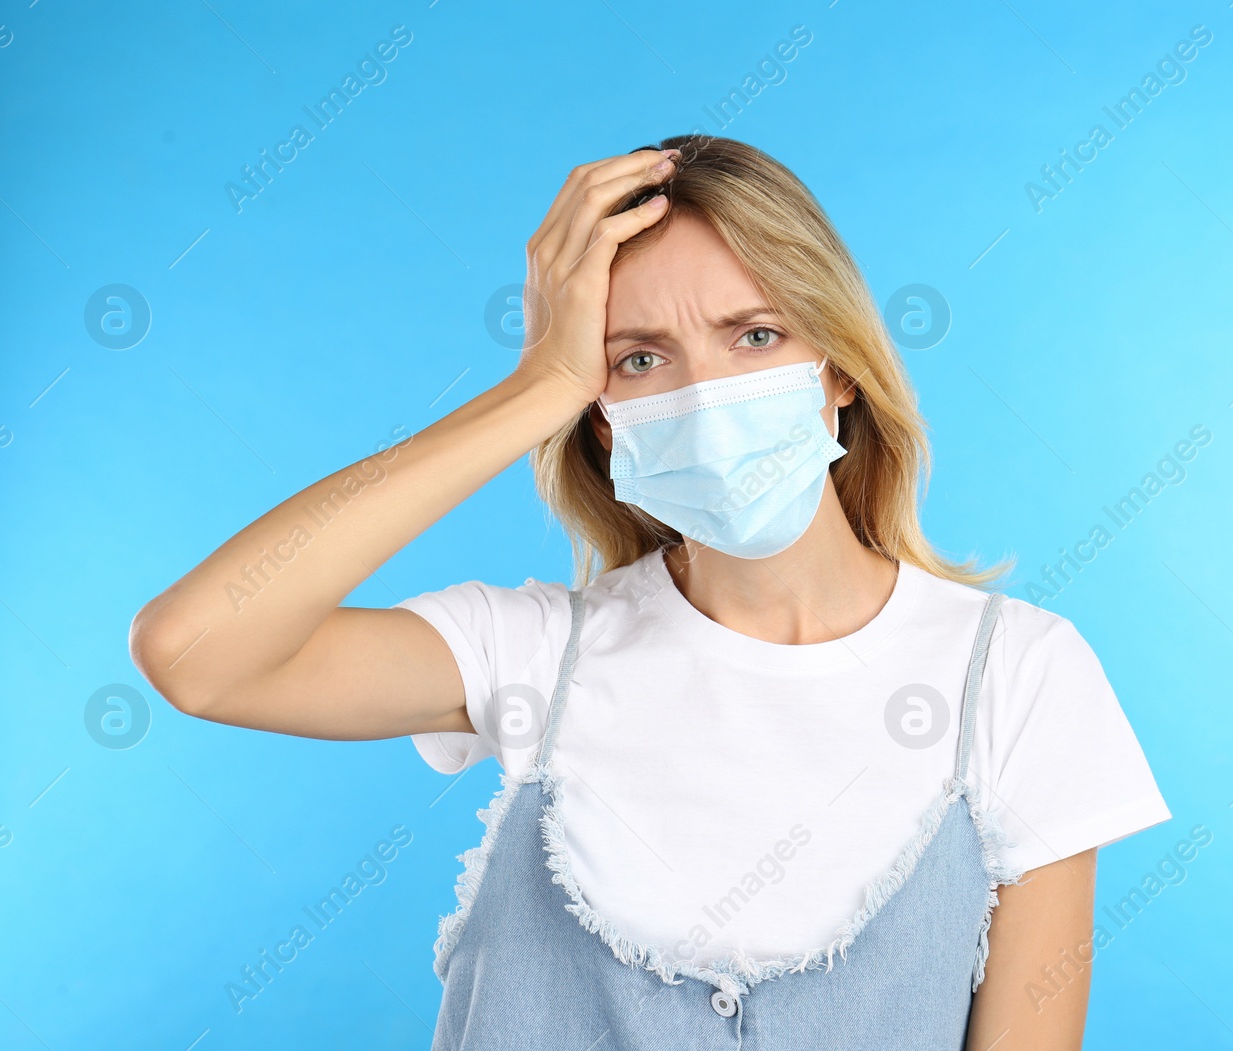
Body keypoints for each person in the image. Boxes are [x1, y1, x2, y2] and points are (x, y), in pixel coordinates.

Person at [130, 134, 1170, 1050]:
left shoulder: (1018, 670)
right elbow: (195, 651)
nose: (705, 394)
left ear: (839, 367)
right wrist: (532, 386)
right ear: (599, 413)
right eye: (638, 357)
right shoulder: (529, 650)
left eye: (755, 334)